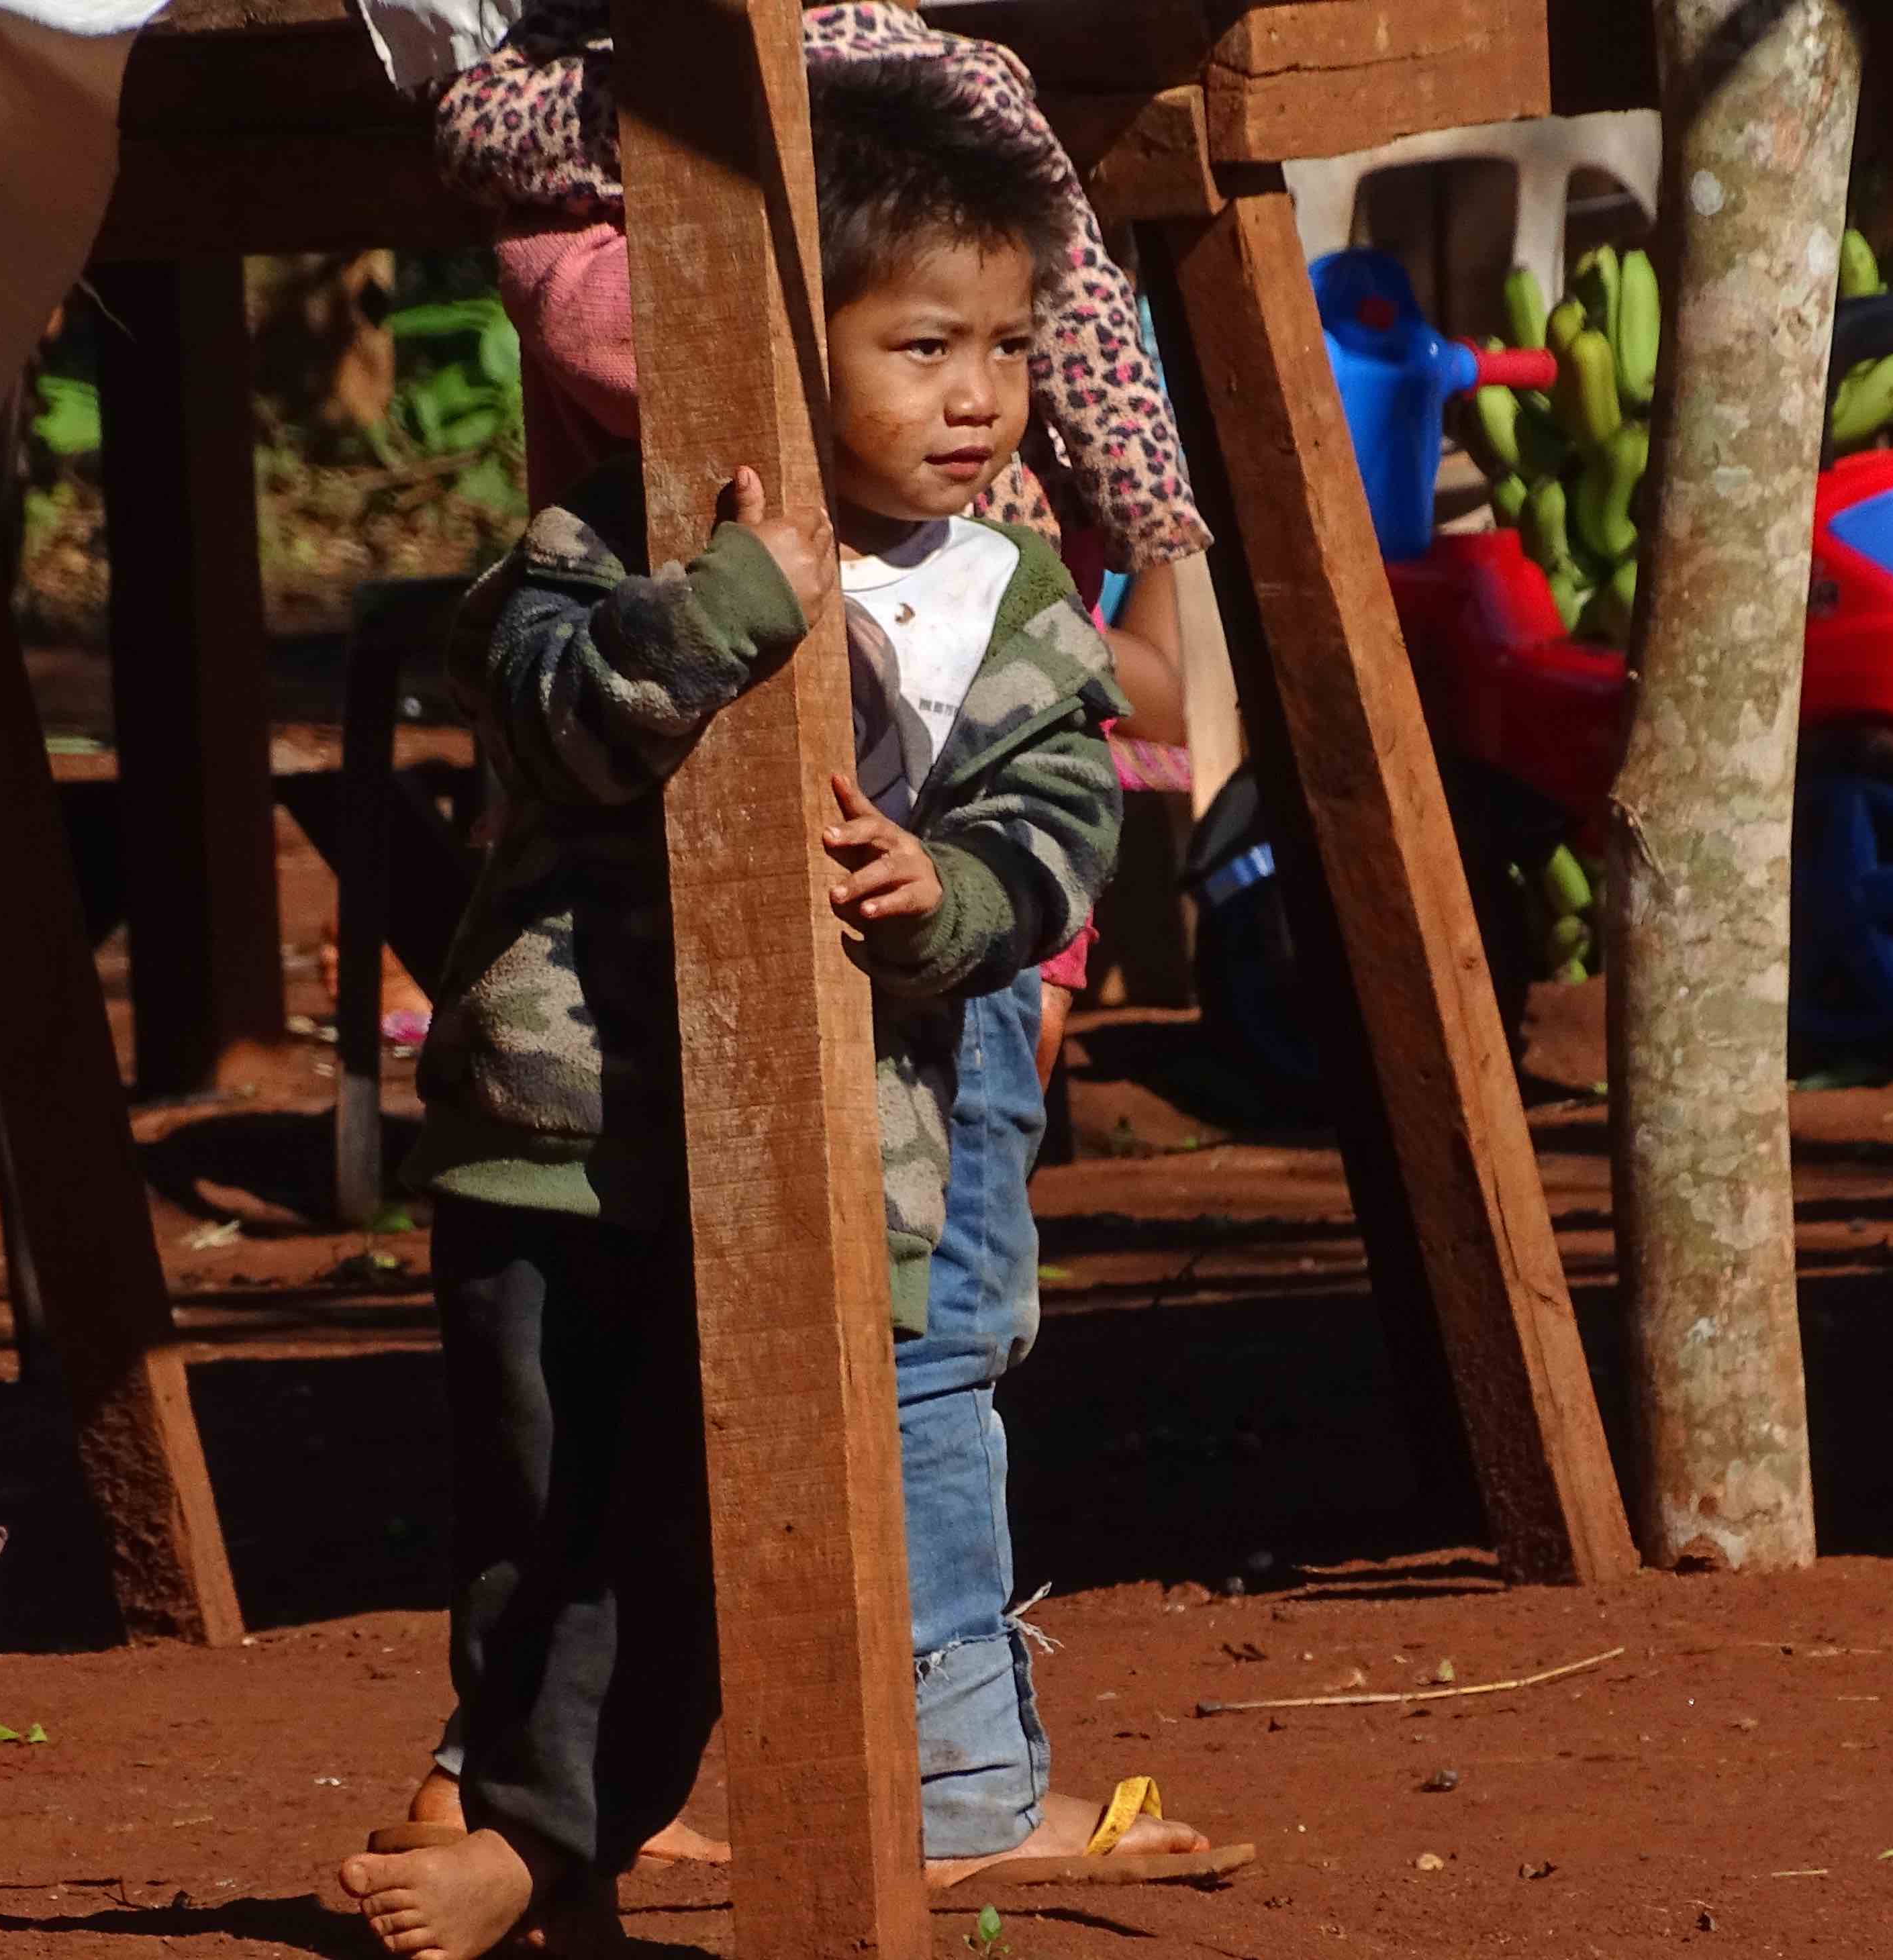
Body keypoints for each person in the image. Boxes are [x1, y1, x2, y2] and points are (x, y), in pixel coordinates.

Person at [335, 58, 1179, 1960]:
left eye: (1010, 350)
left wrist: (951, 891)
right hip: (556, 1139)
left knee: (691, 1535)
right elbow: (552, 722)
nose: (978, 397)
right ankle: (513, 1811)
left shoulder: (1009, 596)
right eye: (922, 348)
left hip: (814, 1164)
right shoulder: (606, 537)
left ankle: (538, 1843)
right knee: (536, 1524)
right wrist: (729, 605)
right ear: (784, 349)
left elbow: (1060, 820)